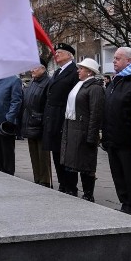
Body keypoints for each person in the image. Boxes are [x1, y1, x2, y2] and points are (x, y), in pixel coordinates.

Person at [103, 47, 131, 217]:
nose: (114, 61)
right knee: (118, 174)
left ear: (129, 60)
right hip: (112, 137)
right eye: (114, 58)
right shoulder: (116, 81)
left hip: (128, 139)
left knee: (130, 175)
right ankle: (125, 203)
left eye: (118, 58)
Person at [60, 58, 105, 202]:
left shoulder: (95, 88)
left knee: (85, 164)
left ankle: (88, 193)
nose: (78, 71)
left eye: (81, 69)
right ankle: (71, 189)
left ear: (89, 72)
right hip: (72, 128)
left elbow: (96, 113)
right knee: (70, 163)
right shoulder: (80, 85)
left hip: (84, 131)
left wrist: (92, 136)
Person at [42, 43, 80, 195]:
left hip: (64, 117)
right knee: (56, 153)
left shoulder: (74, 71)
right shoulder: (57, 72)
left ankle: (71, 186)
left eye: (59, 52)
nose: (56, 55)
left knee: (66, 154)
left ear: (69, 55)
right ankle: (62, 184)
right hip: (53, 118)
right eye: (56, 52)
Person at [20, 57, 51, 187]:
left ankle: (45, 181)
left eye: (35, 67)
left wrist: (41, 120)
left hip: (40, 123)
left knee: (43, 155)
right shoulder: (33, 82)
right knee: (33, 154)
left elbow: (48, 105)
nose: (32, 70)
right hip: (30, 122)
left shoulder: (48, 83)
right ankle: (37, 178)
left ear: (43, 69)